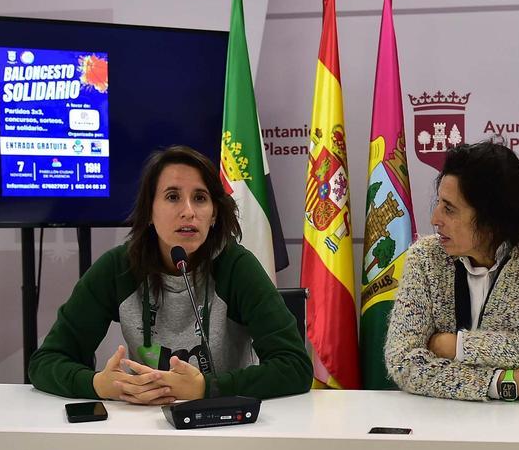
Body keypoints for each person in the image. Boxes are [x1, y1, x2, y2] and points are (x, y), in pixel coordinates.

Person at [29, 145, 311, 404]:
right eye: (173, 197)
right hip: (142, 424)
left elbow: (294, 366)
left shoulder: (236, 267)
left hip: (222, 423)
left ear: (214, 214)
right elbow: (46, 361)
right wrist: (97, 385)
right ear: (149, 211)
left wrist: (207, 388)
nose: (188, 212)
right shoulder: (118, 268)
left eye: (200, 198)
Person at [384, 140, 519, 401]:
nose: (435, 219)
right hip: (441, 422)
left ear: (492, 219)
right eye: (438, 203)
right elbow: (402, 362)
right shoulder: (425, 257)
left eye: (449, 209)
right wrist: (505, 382)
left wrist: (456, 346)